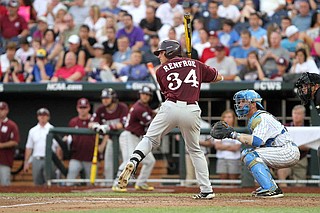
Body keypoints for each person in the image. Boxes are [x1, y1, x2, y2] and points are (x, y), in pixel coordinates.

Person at [117, 39, 223, 199]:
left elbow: (168, 88)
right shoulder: (196, 63)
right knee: (195, 150)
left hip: (171, 107)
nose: (159, 56)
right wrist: (194, 65)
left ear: (170, 51)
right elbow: (218, 77)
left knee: (150, 139)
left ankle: (134, 159)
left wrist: (188, 65)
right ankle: (207, 190)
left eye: (161, 52)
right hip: (192, 109)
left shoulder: (160, 71)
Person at [210, 90, 300, 198]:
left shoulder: (261, 117)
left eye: (243, 101)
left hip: (286, 150)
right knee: (249, 154)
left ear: (253, 104)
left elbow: (257, 141)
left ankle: (271, 188)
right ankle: (268, 186)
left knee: (249, 154)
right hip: (280, 149)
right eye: (239, 102)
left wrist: (233, 134)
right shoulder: (256, 118)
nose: (239, 105)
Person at [112, 86, 156, 192]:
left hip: (138, 138)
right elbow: (150, 122)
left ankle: (140, 183)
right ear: (140, 95)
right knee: (128, 160)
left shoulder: (145, 107)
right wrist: (162, 112)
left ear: (150, 97)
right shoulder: (139, 108)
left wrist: (159, 111)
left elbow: (151, 114)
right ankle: (117, 184)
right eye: (143, 94)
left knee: (150, 161)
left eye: (147, 95)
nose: (145, 96)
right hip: (128, 136)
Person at [89, 88, 129, 185]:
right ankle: (109, 184)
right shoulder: (100, 109)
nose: (105, 100)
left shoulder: (122, 107)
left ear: (113, 98)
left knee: (127, 162)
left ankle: (127, 183)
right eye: (103, 98)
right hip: (111, 140)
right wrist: (95, 126)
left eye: (107, 98)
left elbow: (122, 124)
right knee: (108, 166)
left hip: (124, 139)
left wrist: (107, 127)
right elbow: (90, 123)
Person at [23, 108, 61, 186]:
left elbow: (58, 147)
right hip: (36, 159)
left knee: (50, 183)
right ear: (37, 117)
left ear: (48, 117)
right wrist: (26, 162)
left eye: (44, 115)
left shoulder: (52, 129)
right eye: (40, 115)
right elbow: (29, 147)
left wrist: (58, 162)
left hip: (50, 159)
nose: (42, 117)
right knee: (37, 183)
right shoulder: (33, 130)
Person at [277, 105, 310, 187]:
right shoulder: (284, 127)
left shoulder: (307, 129)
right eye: (294, 113)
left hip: (301, 159)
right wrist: (298, 145)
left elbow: (307, 146)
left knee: (300, 185)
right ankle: (282, 195)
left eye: (299, 114)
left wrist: (291, 145)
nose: (296, 116)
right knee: (281, 172)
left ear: (303, 115)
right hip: (286, 157)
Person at [66, 98, 96, 185]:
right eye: (81, 107)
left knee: (91, 184)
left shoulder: (94, 121)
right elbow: (67, 138)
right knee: (69, 182)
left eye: (84, 107)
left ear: (89, 108)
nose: (82, 110)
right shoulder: (73, 122)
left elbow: (103, 135)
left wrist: (100, 149)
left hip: (91, 158)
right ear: (77, 108)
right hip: (76, 157)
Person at [213, 109, 241, 182]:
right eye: (225, 117)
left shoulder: (238, 130)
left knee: (233, 181)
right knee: (223, 181)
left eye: (229, 117)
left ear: (233, 119)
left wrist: (223, 146)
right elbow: (217, 146)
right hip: (222, 158)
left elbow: (236, 147)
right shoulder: (218, 130)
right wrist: (230, 146)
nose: (227, 119)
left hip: (234, 159)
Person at [0, 101, 19, 186]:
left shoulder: (11, 125)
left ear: (6, 111)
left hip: (5, 160)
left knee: (5, 184)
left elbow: (15, 141)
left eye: (2, 110)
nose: (0, 111)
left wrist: (2, 145)